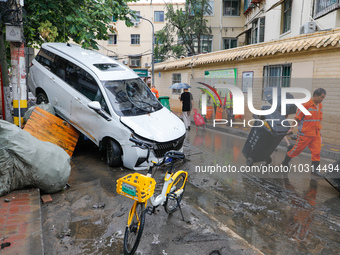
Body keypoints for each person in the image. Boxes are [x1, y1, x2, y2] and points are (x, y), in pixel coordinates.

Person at [282, 88, 326, 172]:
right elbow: (297, 118)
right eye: (321, 97)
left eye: (323, 97)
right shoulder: (305, 105)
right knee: (296, 150)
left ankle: (314, 170)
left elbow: (318, 120)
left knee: (317, 152)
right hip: (305, 134)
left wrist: (319, 134)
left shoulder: (320, 106)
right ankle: (285, 162)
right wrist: (291, 128)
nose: (322, 99)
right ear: (315, 95)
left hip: (315, 134)